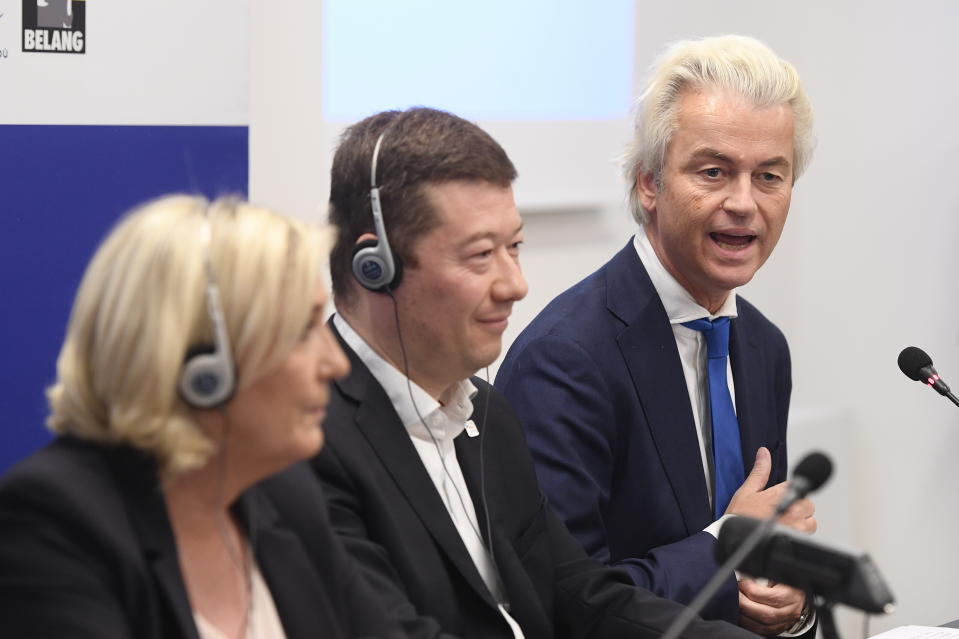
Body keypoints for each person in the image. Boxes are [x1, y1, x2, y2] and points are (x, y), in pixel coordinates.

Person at [307, 106, 755, 638]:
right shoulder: (305, 440)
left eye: (514, 247)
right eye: (480, 256)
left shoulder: (487, 418)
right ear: (374, 269)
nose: (515, 284)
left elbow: (584, 597)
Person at [496, 35, 817, 636]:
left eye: (770, 175)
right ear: (649, 183)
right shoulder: (566, 358)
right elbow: (566, 603)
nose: (744, 203)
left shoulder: (762, 347)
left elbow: (763, 568)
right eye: (714, 171)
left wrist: (793, 605)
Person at [0, 195, 402, 639]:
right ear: (203, 364)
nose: (336, 364)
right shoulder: (54, 520)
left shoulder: (286, 495)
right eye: (303, 331)